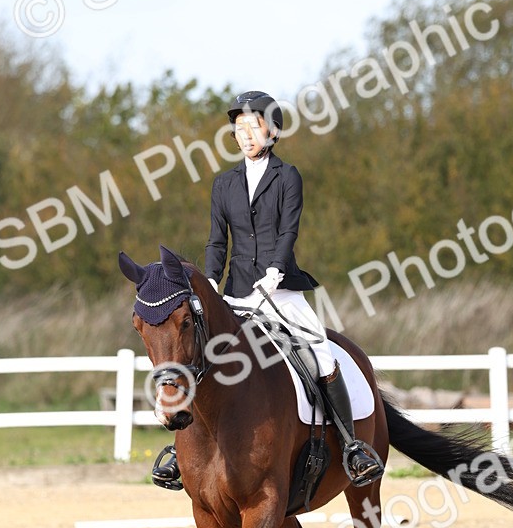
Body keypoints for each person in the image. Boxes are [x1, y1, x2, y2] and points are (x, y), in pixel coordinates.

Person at [151, 90, 384, 491]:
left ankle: (351, 445)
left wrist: (276, 269)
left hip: (281, 290)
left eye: (252, 127)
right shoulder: (224, 184)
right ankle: (180, 450)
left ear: (272, 131)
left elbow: (288, 230)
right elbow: (217, 241)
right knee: (199, 356)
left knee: (321, 354)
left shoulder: (287, 176)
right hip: (236, 292)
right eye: (238, 129)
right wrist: (209, 282)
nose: (244, 135)